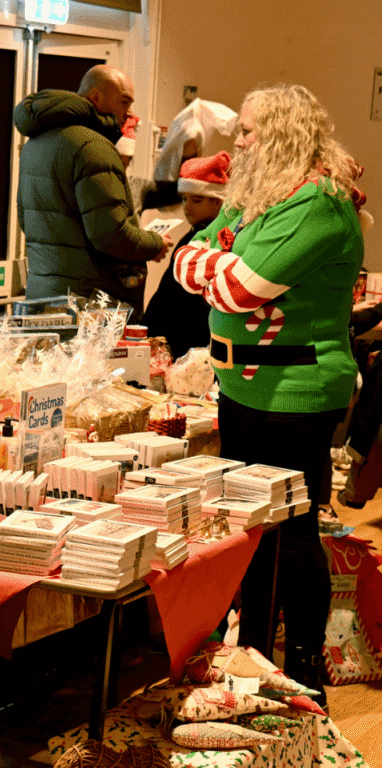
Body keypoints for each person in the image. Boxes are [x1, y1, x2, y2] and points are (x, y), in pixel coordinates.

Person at [173, 84, 368, 702]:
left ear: (282, 133)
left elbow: (242, 291)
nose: (239, 141)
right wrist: (217, 266)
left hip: (299, 393)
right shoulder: (258, 195)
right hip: (241, 387)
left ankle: (305, 669)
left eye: (250, 131)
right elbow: (186, 261)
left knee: (295, 528)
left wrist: (220, 269)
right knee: (248, 526)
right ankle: (254, 651)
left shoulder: (320, 203)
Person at [14, 65, 172, 319]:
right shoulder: (93, 145)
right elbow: (110, 234)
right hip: (88, 305)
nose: (129, 112)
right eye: (124, 101)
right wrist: (154, 244)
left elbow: (26, 221)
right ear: (96, 97)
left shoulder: (36, 144)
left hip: (43, 294)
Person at [144, 151, 231, 358]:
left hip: (190, 341)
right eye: (184, 199)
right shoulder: (192, 234)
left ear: (217, 201)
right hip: (171, 336)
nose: (187, 207)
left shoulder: (221, 239)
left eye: (197, 200)